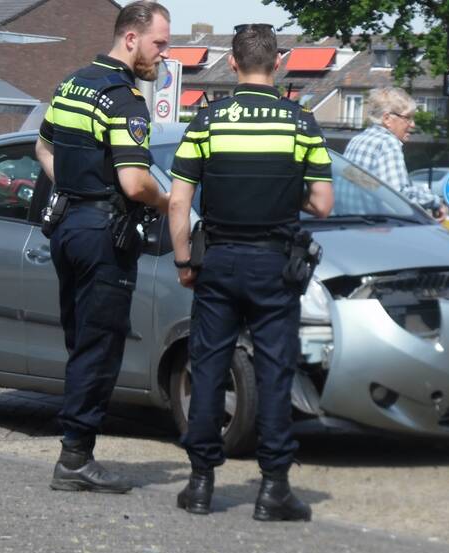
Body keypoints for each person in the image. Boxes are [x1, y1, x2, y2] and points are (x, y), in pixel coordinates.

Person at [168, 23, 334, 518]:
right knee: (275, 370)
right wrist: (288, 190)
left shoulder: (207, 122)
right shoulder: (302, 123)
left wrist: (183, 261)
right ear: (277, 62)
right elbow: (322, 204)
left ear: (234, 64)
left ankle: (200, 485)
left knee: (210, 366)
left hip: (217, 262)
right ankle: (273, 488)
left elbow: (179, 203)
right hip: (273, 263)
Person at [35, 1, 171, 493]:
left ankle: (75, 451)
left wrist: (73, 186)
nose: (164, 52)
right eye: (159, 43)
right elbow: (135, 184)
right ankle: (75, 460)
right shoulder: (124, 97)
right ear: (130, 38)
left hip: (68, 228)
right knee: (100, 344)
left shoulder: (72, 82)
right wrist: (169, 199)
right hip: (102, 235)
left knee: (81, 340)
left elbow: (42, 146)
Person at [343, 87, 445, 221]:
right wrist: (435, 201)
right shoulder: (388, 143)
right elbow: (399, 195)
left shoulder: (357, 140)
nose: (413, 124)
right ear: (387, 119)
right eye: (407, 118)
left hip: (348, 224)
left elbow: (369, 184)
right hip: (376, 229)